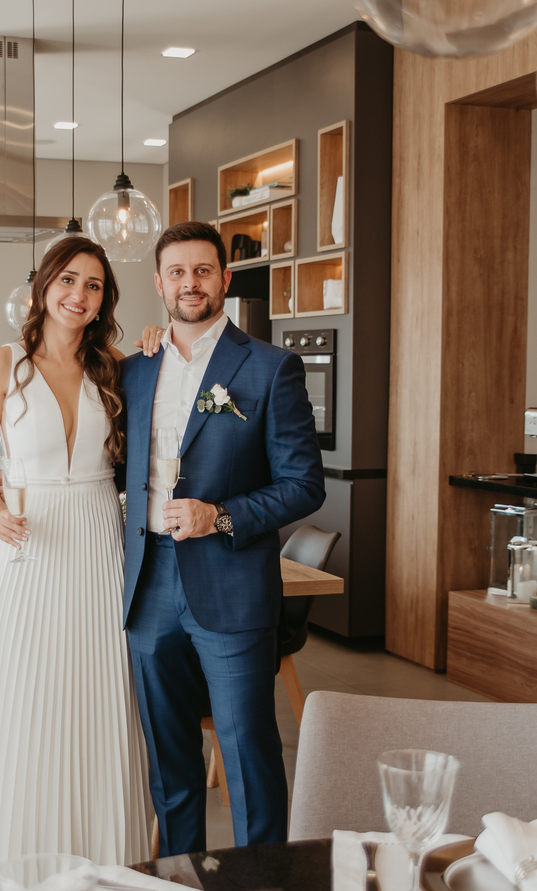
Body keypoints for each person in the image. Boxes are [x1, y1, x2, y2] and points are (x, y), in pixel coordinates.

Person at [117, 220, 326, 856]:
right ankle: (179, 882)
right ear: (159, 284)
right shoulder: (133, 372)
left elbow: (304, 485)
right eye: (177, 272)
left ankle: (263, 890)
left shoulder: (270, 368)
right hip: (148, 583)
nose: (190, 283)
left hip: (232, 585)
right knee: (168, 756)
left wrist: (221, 516)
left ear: (224, 280)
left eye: (202, 271)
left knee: (247, 750)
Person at [0, 235, 149, 874]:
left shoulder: (114, 366)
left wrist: (156, 344)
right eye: (68, 279)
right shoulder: (2, 364)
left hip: (98, 540)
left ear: (103, 300)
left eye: (93, 285)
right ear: (44, 285)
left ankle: (106, 860)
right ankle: (17, 858)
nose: (78, 295)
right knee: (25, 697)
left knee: (101, 694)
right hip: (27, 543)